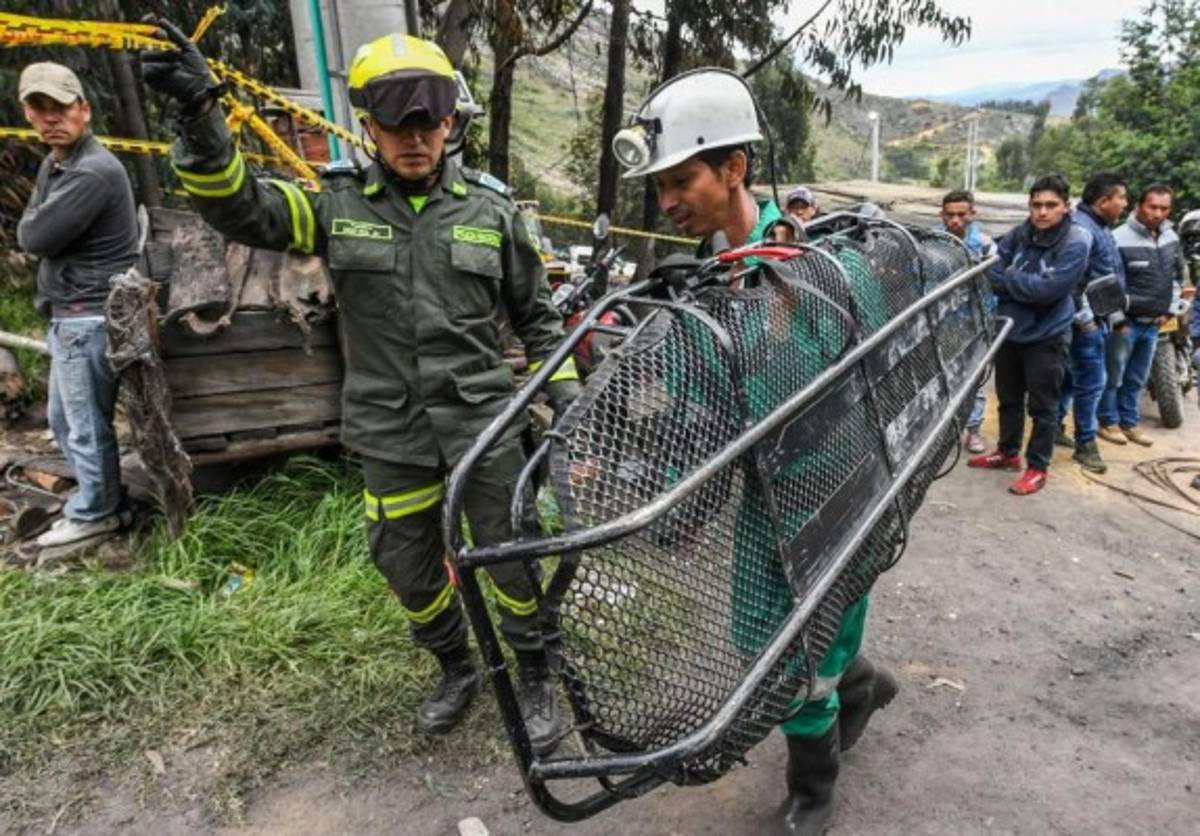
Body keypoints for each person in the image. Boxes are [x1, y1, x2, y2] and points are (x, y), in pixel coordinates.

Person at [141, 24, 579, 754]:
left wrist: (566, 393)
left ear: (449, 122)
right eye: (395, 121)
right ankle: (455, 668)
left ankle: (532, 672)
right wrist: (200, 119)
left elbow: (539, 317)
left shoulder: (494, 212)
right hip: (391, 429)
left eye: (428, 120)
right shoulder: (335, 204)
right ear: (368, 126)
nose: (414, 136)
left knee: (511, 554)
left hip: (484, 424)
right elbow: (241, 207)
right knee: (405, 565)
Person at [615, 68, 897, 835]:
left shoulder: (817, 262)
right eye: (661, 185)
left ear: (733, 168)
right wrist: (673, 490)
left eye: (682, 180)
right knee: (758, 637)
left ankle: (813, 789)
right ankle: (864, 685)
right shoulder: (705, 278)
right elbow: (694, 399)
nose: (668, 199)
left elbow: (878, 366)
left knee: (801, 658)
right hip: (766, 495)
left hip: (837, 489)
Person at [16, 62, 139, 548]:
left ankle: (98, 513)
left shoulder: (93, 170)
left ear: (83, 110)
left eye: (61, 108)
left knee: (86, 425)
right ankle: (101, 500)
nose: (51, 119)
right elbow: (35, 230)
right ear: (27, 112)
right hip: (69, 315)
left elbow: (35, 234)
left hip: (89, 316)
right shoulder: (57, 163)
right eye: (39, 109)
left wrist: (35, 226)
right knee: (66, 421)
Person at [968, 174, 1091, 496]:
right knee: (1008, 398)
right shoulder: (1020, 233)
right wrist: (1019, 282)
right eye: (1036, 205)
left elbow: (1050, 291)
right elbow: (991, 274)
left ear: (1066, 206)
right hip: (1010, 330)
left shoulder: (1076, 240)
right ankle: (1008, 453)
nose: (1042, 212)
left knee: (1043, 406)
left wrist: (1012, 279)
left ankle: (1037, 467)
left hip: (1047, 336)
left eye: (1051, 205)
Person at [1098, 184, 1187, 446]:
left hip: (1154, 324)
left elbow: (1176, 276)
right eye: (1152, 207)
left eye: (1164, 208)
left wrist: (1169, 309)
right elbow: (1106, 285)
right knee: (1114, 375)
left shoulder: (1171, 236)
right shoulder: (1117, 238)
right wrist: (1117, 320)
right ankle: (1108, 421)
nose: (1158, 213)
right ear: (1139, 206)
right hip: (1126, 324)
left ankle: (1129, 422)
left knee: (1137, 377)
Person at [1055, 172, 1128, 473]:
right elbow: (1075, 283)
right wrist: (1087, 322)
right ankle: (1086, 444)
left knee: (1072, 380)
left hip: (1098, 318)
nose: (1125, 204)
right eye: (1121, 198)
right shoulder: (1083, 230)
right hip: (1086, 323)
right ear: (1103, 201)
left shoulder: (1097, 227)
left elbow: (1104, 278)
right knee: (1092, 382)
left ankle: (1055, 426)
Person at [937, 189, 996, 454]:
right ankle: (944, 429)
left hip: (975, 323)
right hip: (941, 323)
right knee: (942, 376)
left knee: (975, 377)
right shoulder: (931, 242)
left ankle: (972, 430)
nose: (956, 221)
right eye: (950, 215)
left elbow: (997, 282)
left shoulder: (985, 245)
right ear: (942, 215)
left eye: (962, 215)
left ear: (972, 214)